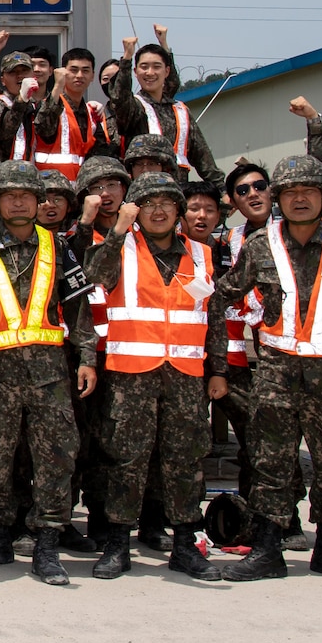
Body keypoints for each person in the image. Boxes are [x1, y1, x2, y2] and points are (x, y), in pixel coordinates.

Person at [208, 155, 322, 583]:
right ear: (278, 198)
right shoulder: (260, 246)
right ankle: (266, 549)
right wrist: (219, 364)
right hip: (276, 375)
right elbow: (221, 298)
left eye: (309, 191)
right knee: (269, 463)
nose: (300, 199)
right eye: (291, 192)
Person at [0, 162, 99, 584]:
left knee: (56, 456)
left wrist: (87, 356)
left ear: (41, 202)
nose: (19, 201)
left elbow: (77, 307)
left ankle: (47, 544)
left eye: (27, 195)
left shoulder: (58, 246)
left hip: (49, 374)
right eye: (9, 195)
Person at [81, 173, 226, 581]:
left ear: (179, 211)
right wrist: (118, 231)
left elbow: (212, 316)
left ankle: (185, 545)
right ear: (136, 210)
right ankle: (117, 545)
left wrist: (217, 370)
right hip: (131, 376)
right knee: (126, 460)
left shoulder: (201, 254)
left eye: (167, 203)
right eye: (149, 203)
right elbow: (95, 276)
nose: (159, 210)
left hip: (185, 376)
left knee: (184, 461)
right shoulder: (119, 247)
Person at [104, 28, 220, 181]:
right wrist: (126, 58)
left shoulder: (180, 111)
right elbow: (120, 99)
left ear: (166, 71)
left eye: (156, 67)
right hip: (144, 190)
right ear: (135, 72)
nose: (150, 72)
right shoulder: (135, 108)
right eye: (144, 67)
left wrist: (221, 190)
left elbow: (202, 156)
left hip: (179, 191)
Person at [31, 50, 110, 181]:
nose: (79, 75)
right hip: (50, 189)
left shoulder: (92, 113)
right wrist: (57, 85)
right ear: (62, 73)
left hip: (80, 190)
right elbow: (43, 127)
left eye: (85, 71)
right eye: (74, 70)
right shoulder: (47, 107)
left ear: (92, 76)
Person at [0, 52, 40, 162]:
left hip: (28, 173)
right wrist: (21, 99)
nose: (20, 76)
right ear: (3, 80)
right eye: (13, 72)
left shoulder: (35, 105)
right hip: (2, 174)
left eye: (24, 71)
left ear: (33, 76)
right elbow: (3, 132)